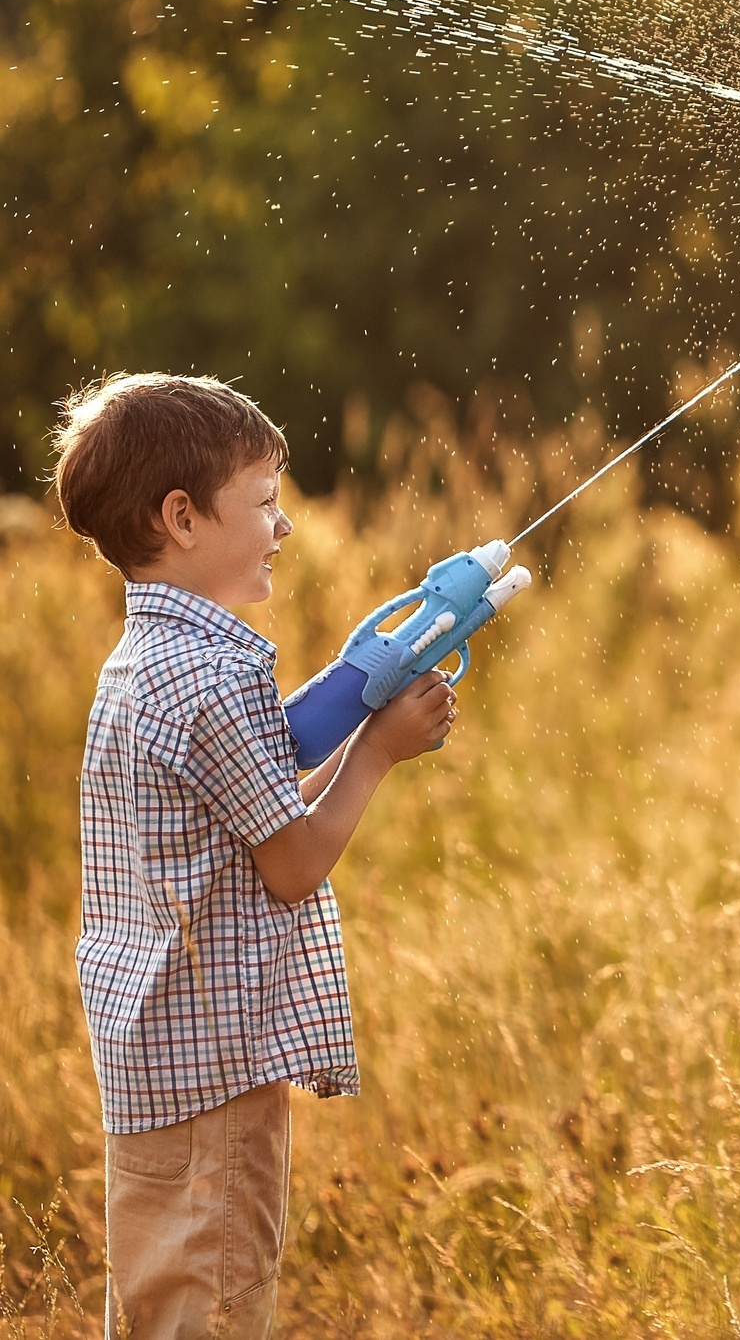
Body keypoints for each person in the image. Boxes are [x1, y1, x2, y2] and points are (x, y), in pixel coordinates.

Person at [50, 373, 454, 1337]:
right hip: (219, 1077)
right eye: (265, 502)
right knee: (217, 1309)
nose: (282, 527)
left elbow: (247, 816)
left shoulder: (141, 663)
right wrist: (379, 752)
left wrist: (351, 714)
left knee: (155, 1309)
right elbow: (291, 864)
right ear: (181, 517)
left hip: (150, 1067)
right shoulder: (217, 677)